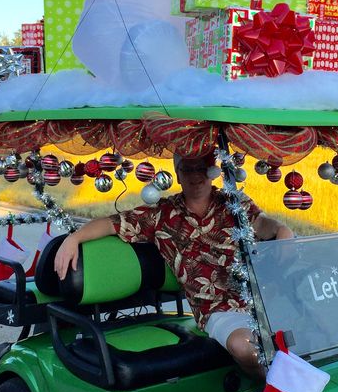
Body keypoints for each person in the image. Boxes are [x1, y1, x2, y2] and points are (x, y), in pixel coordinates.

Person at [54, 152, 294, 378]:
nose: (195, 176)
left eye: (201, 168)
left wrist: (282, 230)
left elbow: (263, 225)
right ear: (177, 174)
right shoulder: (162, 215)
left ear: (212, 171)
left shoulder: (233, 203)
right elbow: (111, 223)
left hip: (259, 298)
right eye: (187, 169)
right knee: (247, 349)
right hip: (218, 311)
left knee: (308, 332)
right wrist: (74, 238)